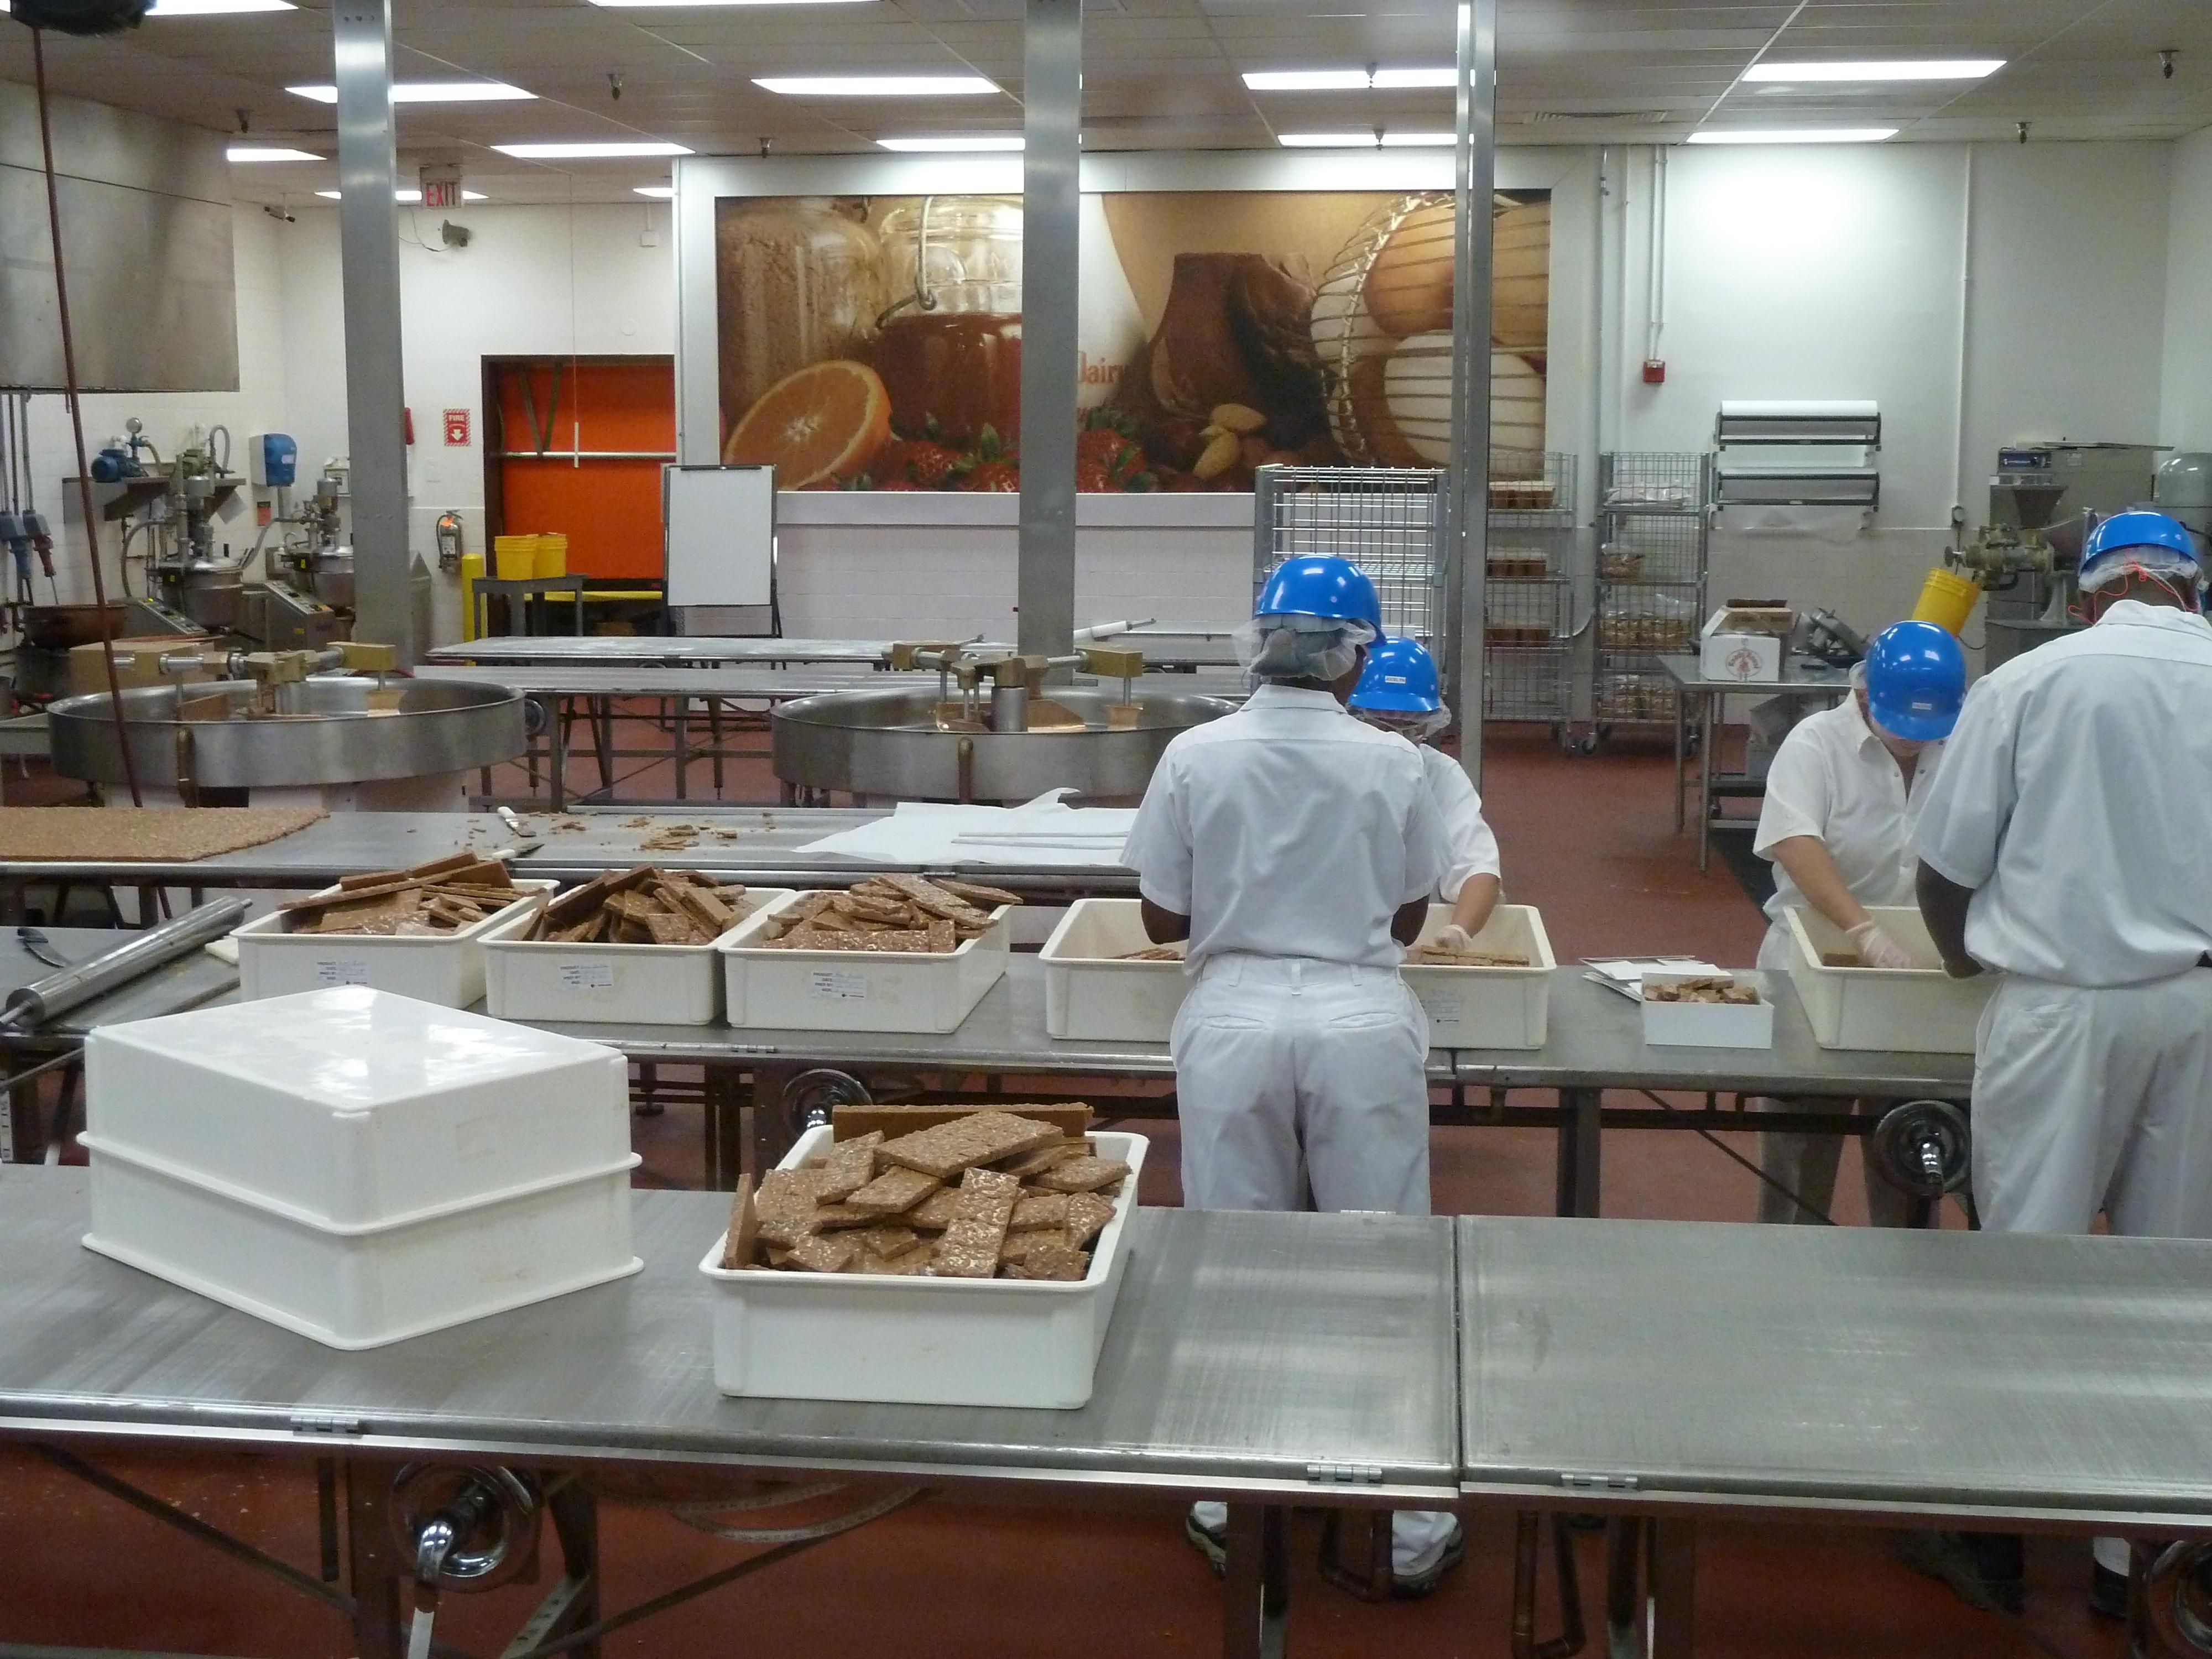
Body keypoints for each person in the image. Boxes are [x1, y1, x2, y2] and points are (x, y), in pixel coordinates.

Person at [1120, 556, 1463, 1598]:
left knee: (1234, 1264)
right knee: (1383, 1265)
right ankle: (1408, 1526)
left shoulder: (1194, 753)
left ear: (1260, 644)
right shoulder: (1395, 764)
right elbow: (1411, 911)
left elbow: (1161, 917)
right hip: (1361, 1017)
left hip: (1232, 1019)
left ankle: (1234, 1501)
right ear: (1355, 658)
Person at [1912, 509, 2212, 1620]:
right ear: (2190, 588)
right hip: (2199, 1010)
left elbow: (1944, 867)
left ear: (2088, 594)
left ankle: (1996, 1534)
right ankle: (2135, 1560)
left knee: (2025, 1269)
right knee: (2175, 1285)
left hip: (2063, 1006)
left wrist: (1959, 965)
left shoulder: (2031, 683)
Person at [1747, 620, 1964, 1226]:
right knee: (1799, 1144)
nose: (1916, 740)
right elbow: (1795, 841)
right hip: (1813, 963)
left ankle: (1902, 1267)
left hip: (1919, 973)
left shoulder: (1958, 746)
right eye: (1905, 725)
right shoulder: (1815, 744)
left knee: (1910, 1143)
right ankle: (1787, 1263)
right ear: (1865, 693)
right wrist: (1862, 931)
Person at [1347, 635, 1503, 943]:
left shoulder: (1439, 774)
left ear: (1427, 724)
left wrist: (1459, 932)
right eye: (1381, 727)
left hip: (1404, 929)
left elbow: (1477, 867)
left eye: (1408, 727)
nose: (1394, 740)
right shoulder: (1331, 767)